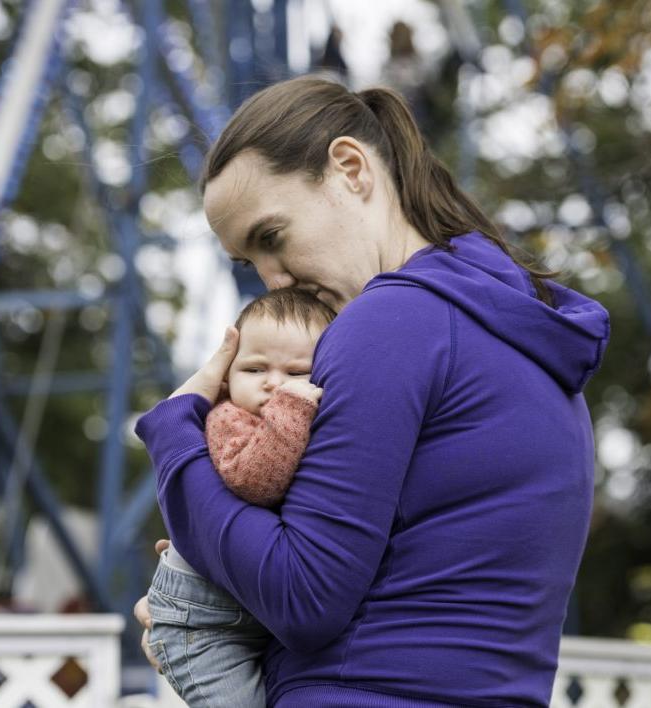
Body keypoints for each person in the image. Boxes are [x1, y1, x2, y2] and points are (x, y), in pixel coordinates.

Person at [134, 75, 610, 707]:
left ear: (350, 168)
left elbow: (301, 597)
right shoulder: (519, 331)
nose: (273, 283)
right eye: (251, 263)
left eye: (271, 237)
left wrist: (173, 433)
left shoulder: (391, 323)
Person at [146, 287, 334, 707]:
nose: (273, 384)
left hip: (260, 615)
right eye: (254, 369)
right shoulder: (229, 418)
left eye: (297, 371)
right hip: (204, 624)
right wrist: (292, 406)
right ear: (228, 378)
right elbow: (255, 481)